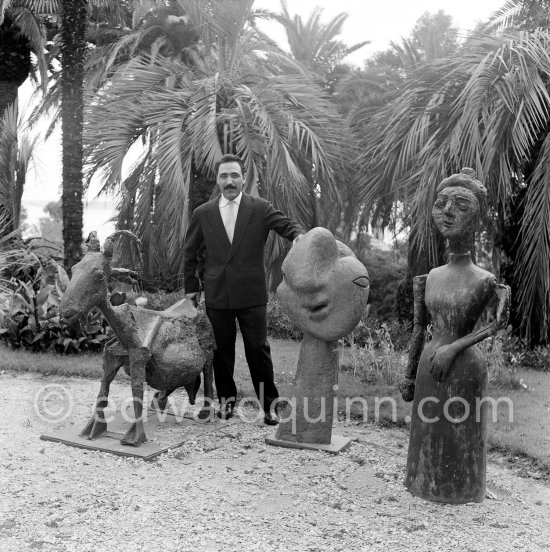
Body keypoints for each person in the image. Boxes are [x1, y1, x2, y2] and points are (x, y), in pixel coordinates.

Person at [399, 168, 510, 504]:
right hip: (429, 367)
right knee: (428, 430)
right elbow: (420, 328)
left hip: (463, 368)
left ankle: (461, 487)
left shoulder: (485, 279)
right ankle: (423, 483)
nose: (447, 212)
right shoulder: (429, 277)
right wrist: (407, 375)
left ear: (476, 218)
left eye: (460, 205)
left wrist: (453, 349)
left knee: (461, 430)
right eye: (441, 204)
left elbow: (497, 324)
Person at [183, 154, 304, 425]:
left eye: (234, 175)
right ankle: (226, 404)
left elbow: (286, 224)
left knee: (257, 351)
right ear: (218, 179)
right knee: (221, 353)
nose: (229, 181)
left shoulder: (259, 208)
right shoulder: (203, 213)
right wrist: (191, 288)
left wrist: (299, 236)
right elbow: (189, 253)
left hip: (251, 294)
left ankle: (270, 406)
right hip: (217, 294)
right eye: (224, 176)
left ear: (243, 177)